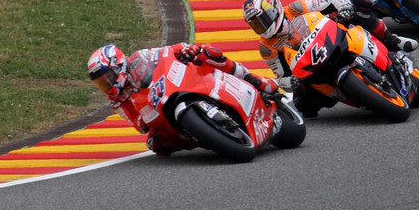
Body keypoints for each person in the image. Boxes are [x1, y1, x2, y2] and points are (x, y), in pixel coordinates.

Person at [241, 0, 418, 119]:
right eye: (255, 24)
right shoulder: (266, 47)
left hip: (330, 37)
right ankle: (357, 95)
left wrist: (343, 7)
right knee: (303, 105)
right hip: (310, 65)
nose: (260, 27)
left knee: (359, 7)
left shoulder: (294, 9)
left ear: (274, 10)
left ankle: (393, 41)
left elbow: (328, 2)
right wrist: (291, 82)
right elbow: (281, 76)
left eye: (261, 20)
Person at [87, 42, 280, 156]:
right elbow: (139, 124)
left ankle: (255, 81)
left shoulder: (139, 59)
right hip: (161, 112)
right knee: (156, 144)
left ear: (118, 64)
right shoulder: (118, 101)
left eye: (107, 78)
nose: (106, 85)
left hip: (180, 83)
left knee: (206, 53)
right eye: (101, 83)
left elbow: (165, 52)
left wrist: (184, 50)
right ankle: (202, 137)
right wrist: (145, 119)